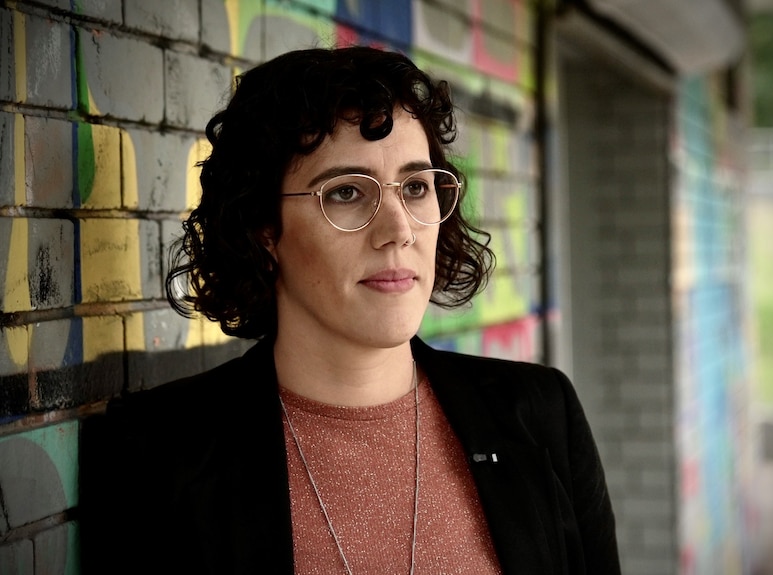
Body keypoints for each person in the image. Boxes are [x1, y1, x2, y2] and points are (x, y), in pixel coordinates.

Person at [81, 46, 619, 575]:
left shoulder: (541, 416)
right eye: (345, 193)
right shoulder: (157, 454)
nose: (399, 230)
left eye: (414, 186)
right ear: (264, 229)